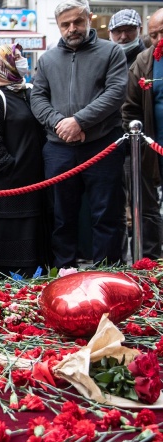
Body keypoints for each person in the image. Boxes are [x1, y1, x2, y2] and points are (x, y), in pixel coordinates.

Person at [31, 0, 128, 269]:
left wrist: (80, 122)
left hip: (103, 144)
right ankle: (65, 271)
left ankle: (107, 272)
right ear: (59, 26)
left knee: (106, 213)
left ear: (89, 18)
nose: (72, 28)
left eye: (77, 22)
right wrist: (61, 124)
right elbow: (38, 98)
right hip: (59, 147)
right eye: (66, 24)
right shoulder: (48, 59)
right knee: (61, 214)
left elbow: (116, 93)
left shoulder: (111, 52)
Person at [0, 44, 49, 278]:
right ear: (3, 64)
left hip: (34, 178)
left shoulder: (28, 92)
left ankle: (34, 272)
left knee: (32, 227)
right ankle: (7, 275)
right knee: (10, 230)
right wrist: (11, 166)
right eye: (16, 58)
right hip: (8, 181)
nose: (21, 61)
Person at [122, 7, 163, 260]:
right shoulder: (144, 61)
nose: (159, 40)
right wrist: (137, 141)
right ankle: (151, 262)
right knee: (147, 209)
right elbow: (130, 108)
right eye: (154, 35)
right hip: (151, 148)